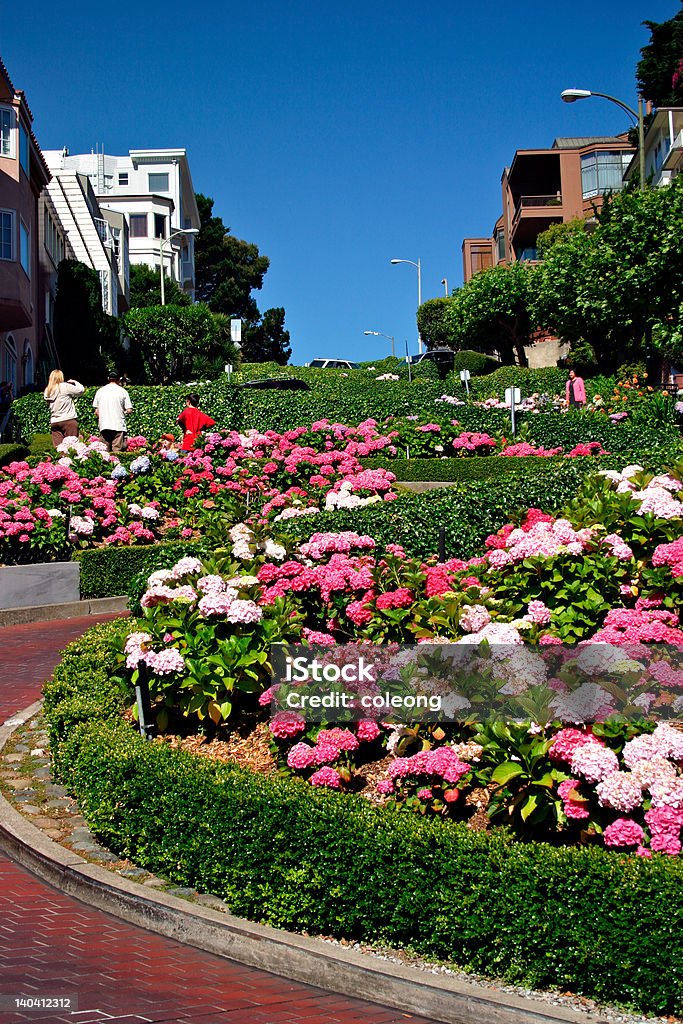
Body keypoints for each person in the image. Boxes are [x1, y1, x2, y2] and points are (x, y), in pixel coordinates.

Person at [43, 370, 85, 448]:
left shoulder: (47, 390)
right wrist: (75, 382)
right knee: (72, 447)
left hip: (55, 421)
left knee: (59, 449)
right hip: (68, 420)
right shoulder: (65, 386)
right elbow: (81, 391)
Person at [93, 371, 133, 452]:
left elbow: (97, 411)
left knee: (104, 452)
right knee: (117, 451)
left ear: (108, 378)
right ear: (119, 379)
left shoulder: (100, 391)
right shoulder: (122, 391)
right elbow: (129, 409)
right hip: (118, 425)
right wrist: (124, 413)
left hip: (104, 425)